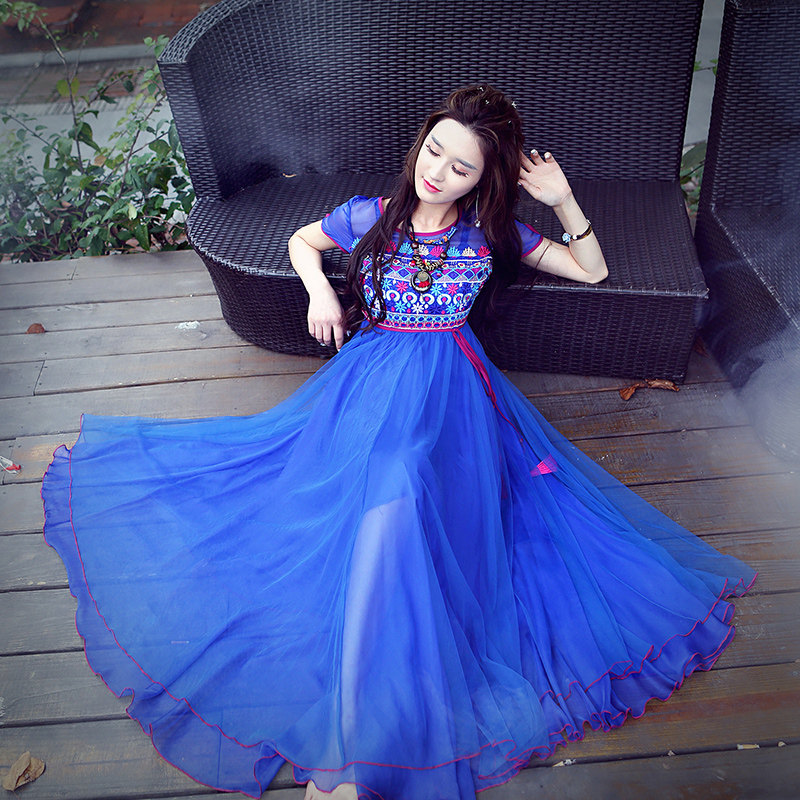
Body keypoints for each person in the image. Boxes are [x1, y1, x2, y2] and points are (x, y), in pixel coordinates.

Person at [41, 86, 755, 800]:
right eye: (434, 151)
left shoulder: (490, 235)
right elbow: (301, 242)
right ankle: (356, 744)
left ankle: (356, 750)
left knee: (407, 493)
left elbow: (591, 269)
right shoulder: (371, 215)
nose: (438, 173)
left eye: (461, 167)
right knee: (384, 496)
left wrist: (564, 201)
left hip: (453, 390)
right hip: (371, 379)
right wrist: (321, 291)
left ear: (484, 180)